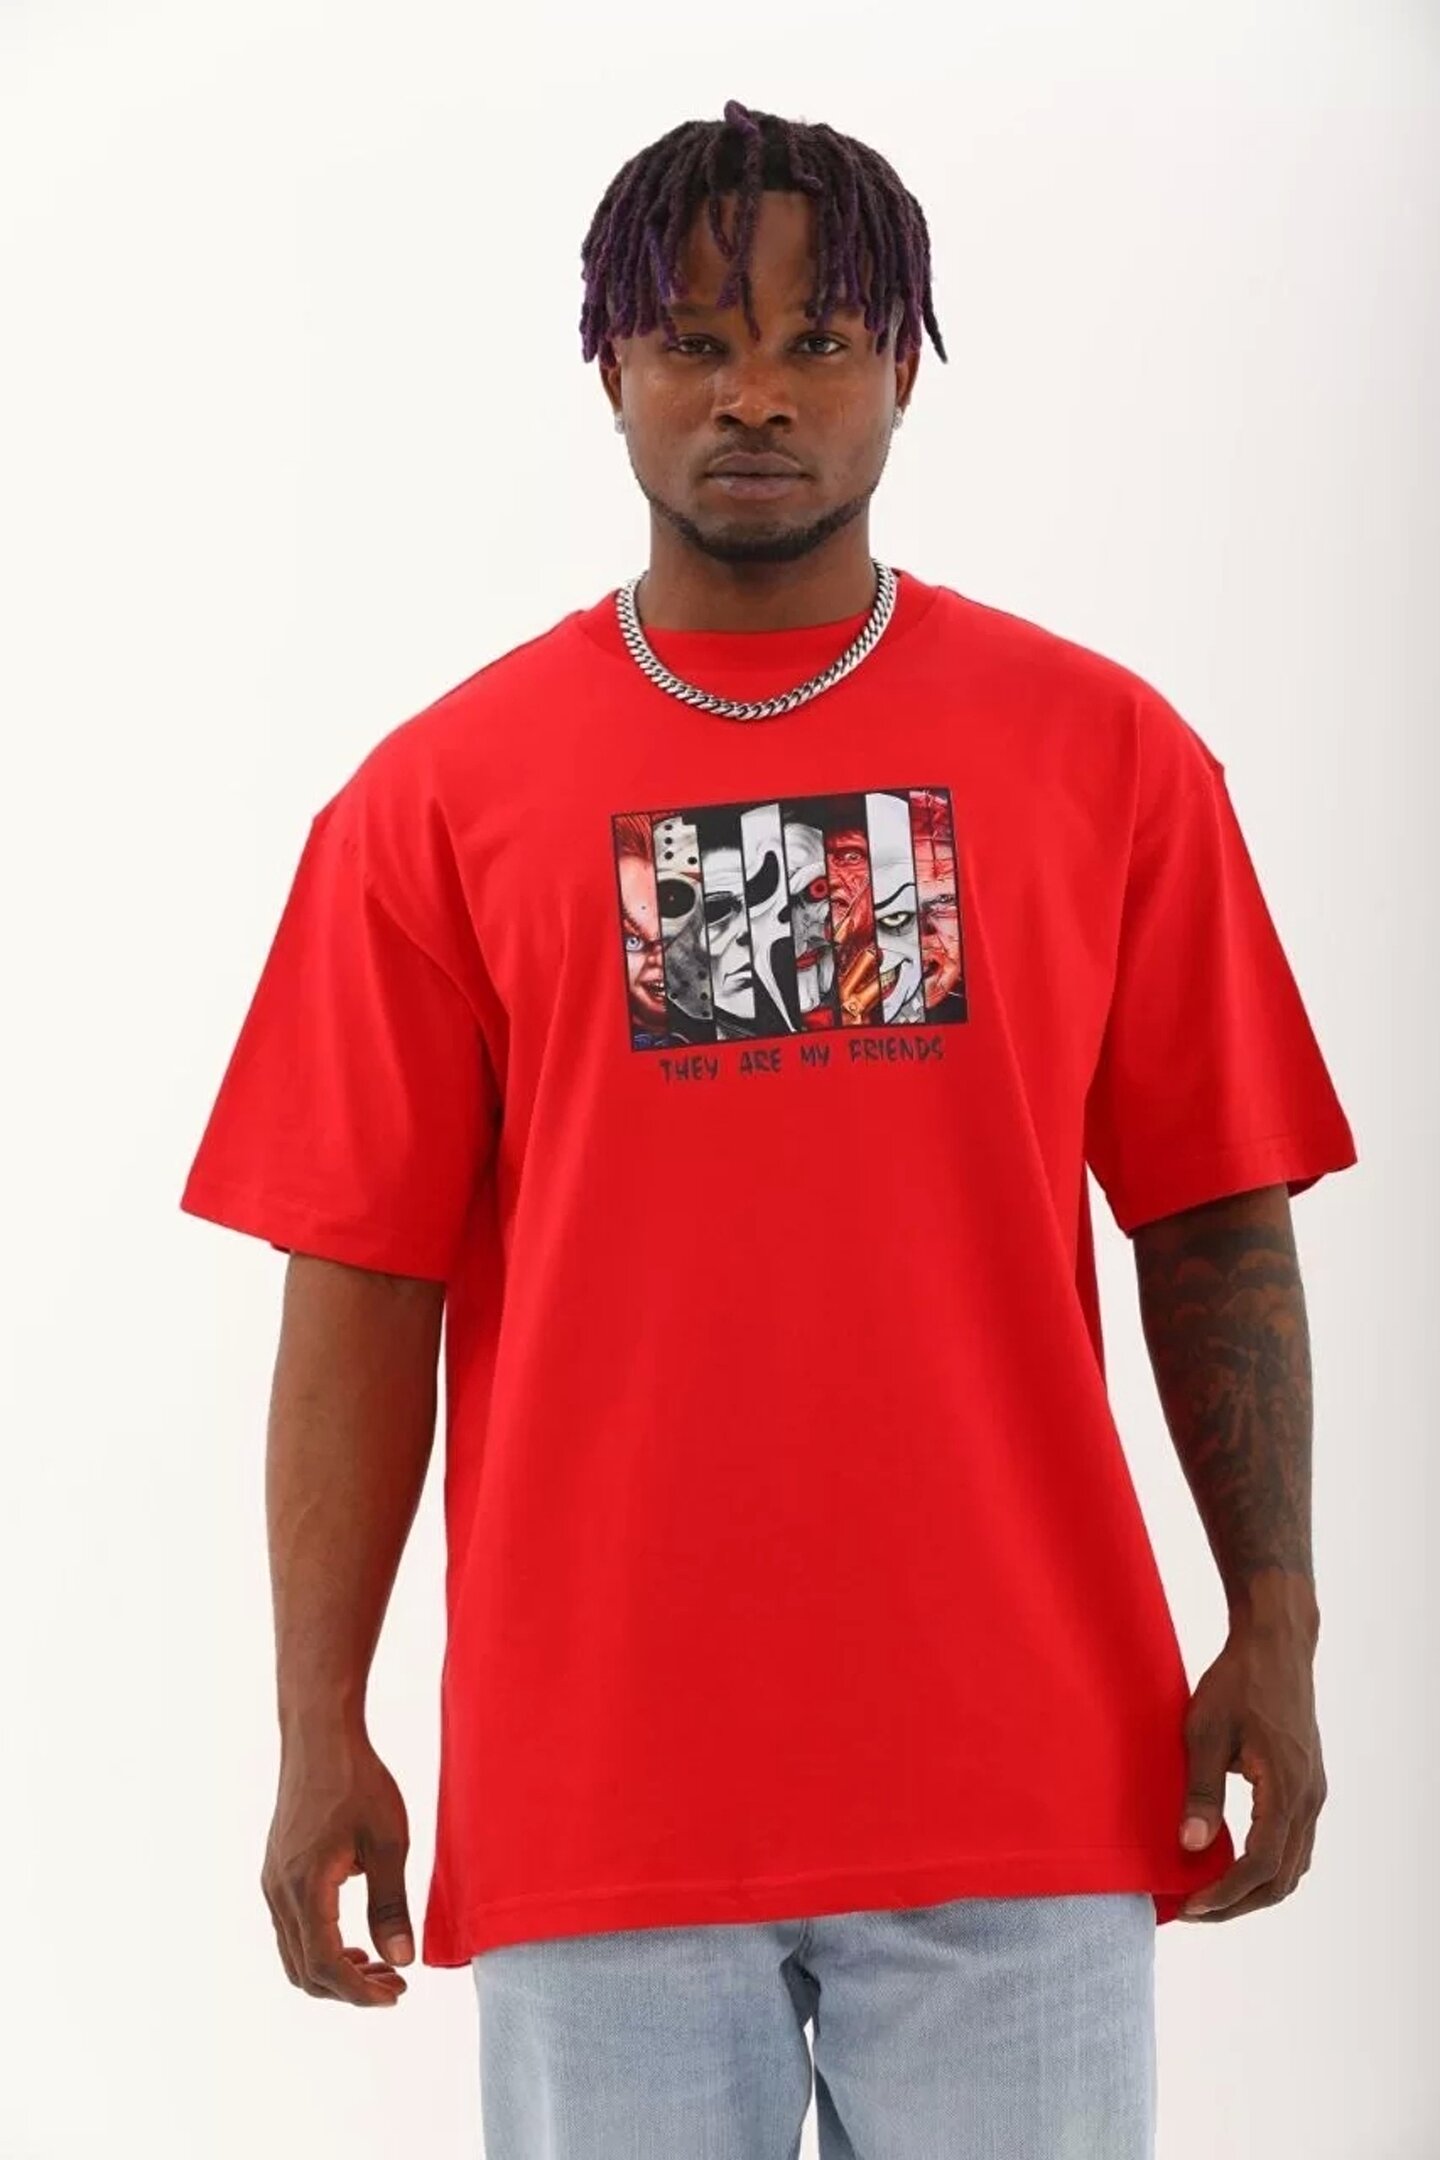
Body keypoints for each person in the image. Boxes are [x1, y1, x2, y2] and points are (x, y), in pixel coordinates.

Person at [179, 97, 1358, 2159]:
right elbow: (355, 1283)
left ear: (905, 365)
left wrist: (1277, 1623)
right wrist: (315, 1723)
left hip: (1024, 1778)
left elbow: (1212, 1217)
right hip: (601, 1797)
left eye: (819, 341)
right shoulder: (438, 801)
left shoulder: (1106, 756)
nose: (754, 394)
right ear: (607, 367)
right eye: (695, 342)